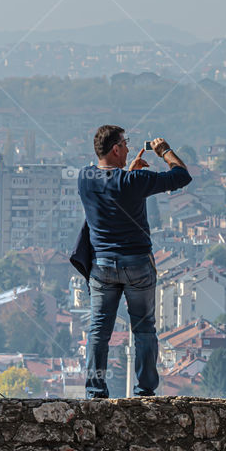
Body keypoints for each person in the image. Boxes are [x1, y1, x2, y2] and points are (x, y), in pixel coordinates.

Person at [76, 125, 191, 398]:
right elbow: (181, 176)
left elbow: (111, 187)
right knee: (144, 328)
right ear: (116, 149)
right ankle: (144, 391)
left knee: (99, 329)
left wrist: (129, 174)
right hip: (137, 263)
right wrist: (165, 151)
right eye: (125, 144)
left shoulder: (84, 177)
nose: (128, 148)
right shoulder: (134, 182)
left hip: (102, 266)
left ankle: (95, 391)